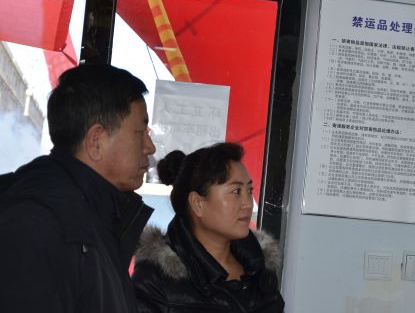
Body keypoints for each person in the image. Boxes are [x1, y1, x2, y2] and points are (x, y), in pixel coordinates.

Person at [0, 64, 156, 313]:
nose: (150, 147)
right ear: (96, 141)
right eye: (140, 132)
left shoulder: (96, 217)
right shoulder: (36, 223)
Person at [132, 142, 284, 313]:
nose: (248, 203)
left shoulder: (260, 269)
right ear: (198, 204)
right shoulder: (155, 280)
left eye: (249, 190)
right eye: (236, 191)